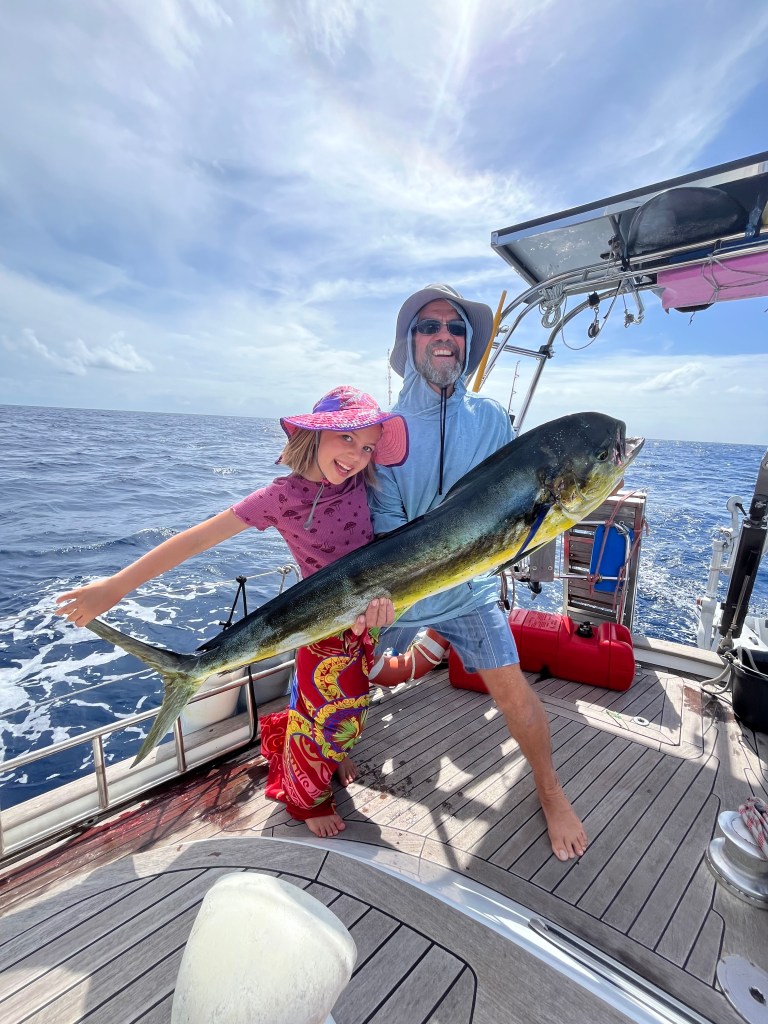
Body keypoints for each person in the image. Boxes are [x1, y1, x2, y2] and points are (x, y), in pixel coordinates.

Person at [56, 386, 408, 839]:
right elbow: (197, 539)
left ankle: (330, 752)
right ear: (314, 435)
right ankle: (306, 799)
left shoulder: (363, 481)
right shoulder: (280, 497)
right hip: (319, 625)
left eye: (368, 447)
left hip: (363, 623)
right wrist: (115, 587)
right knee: (332, 712)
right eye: (346, 438)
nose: (357, 456)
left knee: (345, 705)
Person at [368, 285, 588, 861]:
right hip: (401, 593)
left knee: (514, 694)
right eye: (430, 326)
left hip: (469, 591)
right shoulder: (385, 430)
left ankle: (550, 791)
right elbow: (385, 522)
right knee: (346, 673)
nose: (444, 336)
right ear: (409, 342)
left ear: (467, 345)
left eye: (455, 328)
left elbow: (518, 502)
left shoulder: (492, 419)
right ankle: (326, 755)